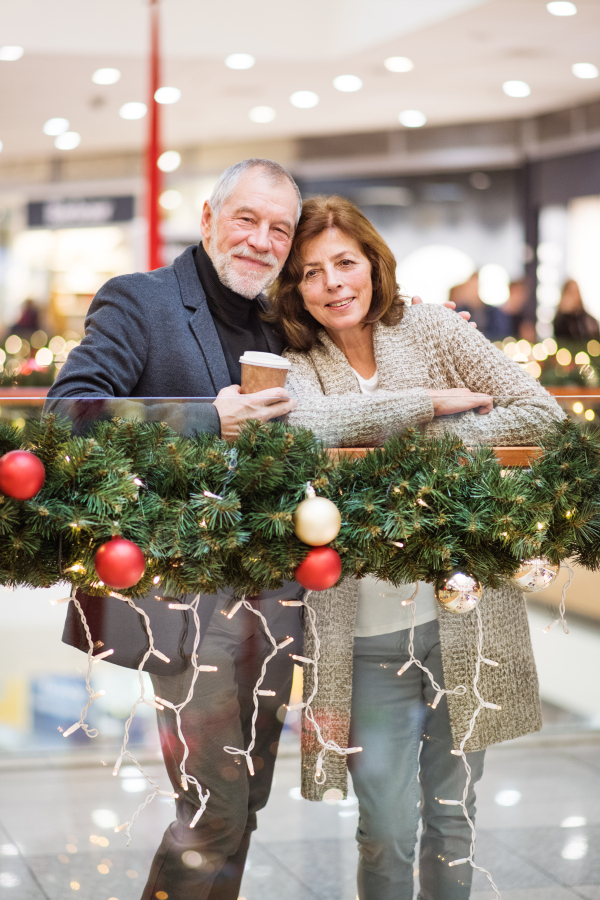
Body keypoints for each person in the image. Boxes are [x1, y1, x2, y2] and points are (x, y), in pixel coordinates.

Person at [45, 159, 472, 900]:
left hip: (278, 602)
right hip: (188, 606)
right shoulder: (140, 301)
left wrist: (435, 329)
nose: (262, 239)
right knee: (210, 815)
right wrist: (211, 419)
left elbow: (362, 352)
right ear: (209, 219)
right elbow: (67, 415)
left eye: (279, 228)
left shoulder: (284, 313)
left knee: (245, 809)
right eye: (247, 219)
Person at [269, 195, 563, 900]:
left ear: (374, 261)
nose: (334, 283)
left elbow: (542, 414)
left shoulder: (431, 328)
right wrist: (427, 403)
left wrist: (402, 445)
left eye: (346, 262)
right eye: (312, 272)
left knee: (454, 815)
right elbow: (302, 429)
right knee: (387, 826)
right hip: (361, 636)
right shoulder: (291, 357)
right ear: (294, 286)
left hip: (465, 616)